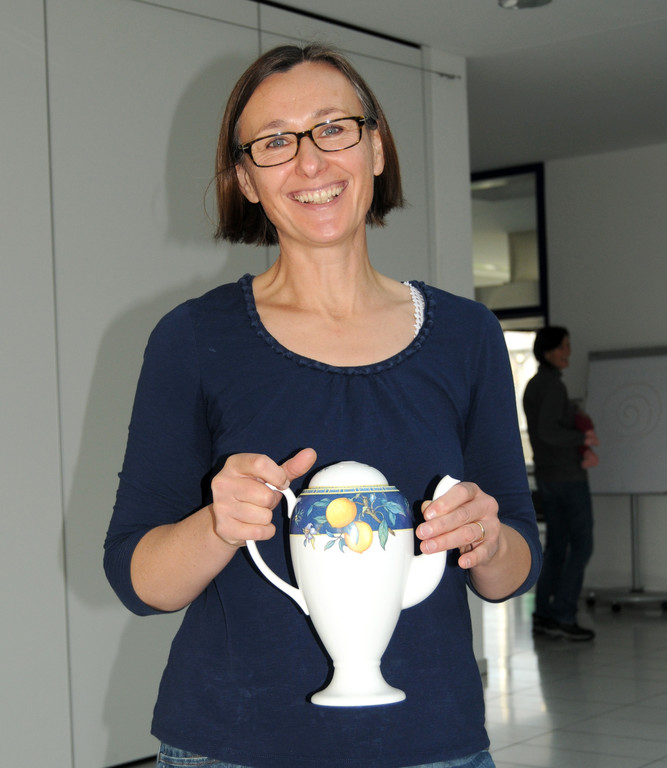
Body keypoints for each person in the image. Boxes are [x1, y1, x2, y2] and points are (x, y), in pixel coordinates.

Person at [104, 43, 541, 768]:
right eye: (275, 142)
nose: (310, 163)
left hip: (433, 741)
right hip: (232, 746)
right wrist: (218, 524)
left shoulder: (467, 335)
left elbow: (513, 570)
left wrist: (489, 540)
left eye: (334, 128)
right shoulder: (193, 338)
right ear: (246, 179)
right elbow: (138, 581)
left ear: (376, 148)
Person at [523, 326, 598, 641]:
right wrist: (582, 438)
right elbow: (549, 431)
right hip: (567, 477)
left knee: (556, 546)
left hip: (548, 475)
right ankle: (563, 615)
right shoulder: (552, 386)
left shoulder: (535, 384)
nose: (568, 352)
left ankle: (544, 614)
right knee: (581, 545)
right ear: (549, 351)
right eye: (563, 346)